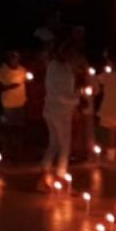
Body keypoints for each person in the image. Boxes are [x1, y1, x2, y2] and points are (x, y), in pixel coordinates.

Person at [40, 39, 78, 185]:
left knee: (54, 143)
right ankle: (60, 174)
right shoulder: (54, 68)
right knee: (64, 144)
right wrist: (77, 100)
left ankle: (45, 168)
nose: (70, 57)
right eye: (68, 53)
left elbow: (67, 88)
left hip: (58, 110)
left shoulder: (65, 67)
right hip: (58, 112)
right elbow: (58, 93)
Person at [0, 50, 28, 163]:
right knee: (8, 131)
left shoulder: (22, 70)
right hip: (8, 106)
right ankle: (7, 155)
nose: (15, 60)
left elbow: (27, 82)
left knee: (19, 131)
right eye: (13, 58)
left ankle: (18, 155)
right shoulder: (2, 71)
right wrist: (10, 87)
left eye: (17, 58)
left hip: (21, 105)